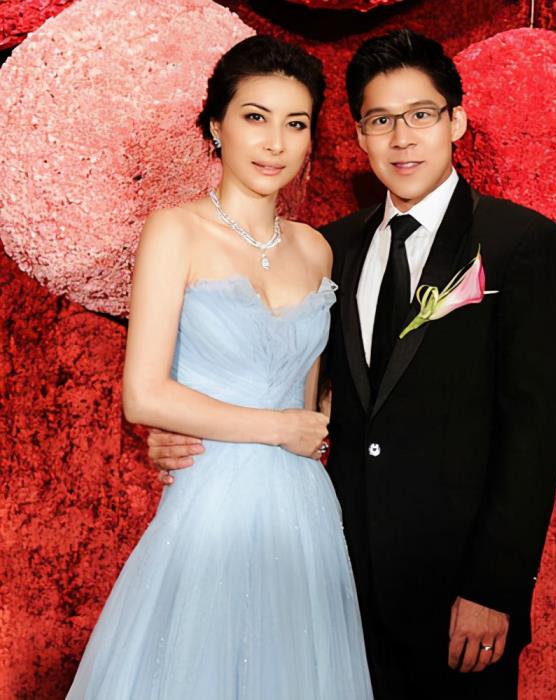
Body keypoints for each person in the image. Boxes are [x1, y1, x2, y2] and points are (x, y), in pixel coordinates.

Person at [149, 29, 556, 699]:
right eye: (380, 120)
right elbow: (308, 391)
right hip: (330, 575)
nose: (402, 138)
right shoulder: (330, 249)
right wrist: (182, 428)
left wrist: (494, 586)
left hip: (455, 593)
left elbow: (534, 431)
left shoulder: (517, 242)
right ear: (359, 136)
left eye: (421, 114)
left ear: (456, 121)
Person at [67, 36, 373, 700]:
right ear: (216, 126)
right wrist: (276, 428)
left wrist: (302, 427)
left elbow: (310, 399)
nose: (275, 143)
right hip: (212, 504)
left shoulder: (316, 251)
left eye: (296, 124)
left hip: (303, 511)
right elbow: (144, 395)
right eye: (255, 117)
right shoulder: (174, 231)